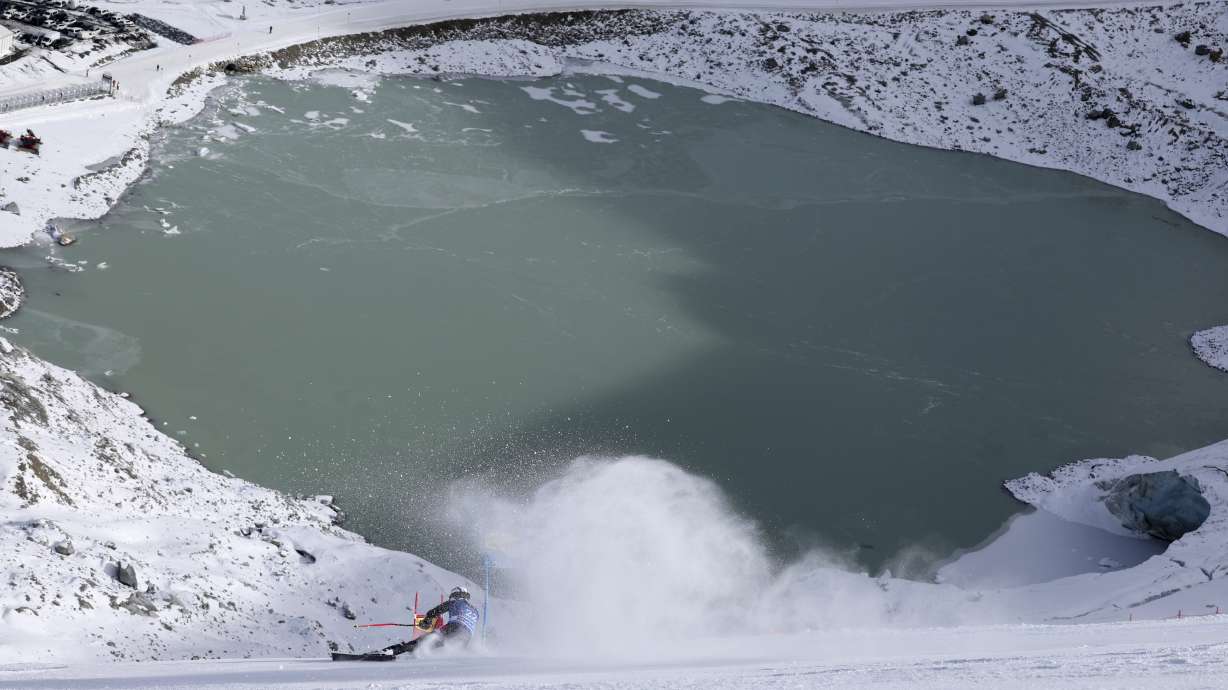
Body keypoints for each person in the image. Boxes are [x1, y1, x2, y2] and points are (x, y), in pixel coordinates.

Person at [383, 586, 479, 656]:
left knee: (421, 642)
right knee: (433, 647)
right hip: (466, 637)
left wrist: (426, 621)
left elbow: (435, 611)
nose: (452, 598)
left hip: (454, 627)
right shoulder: (475, 611)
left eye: (453, 595)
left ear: (457, 595)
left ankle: (391, 651)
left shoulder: (456, 602)